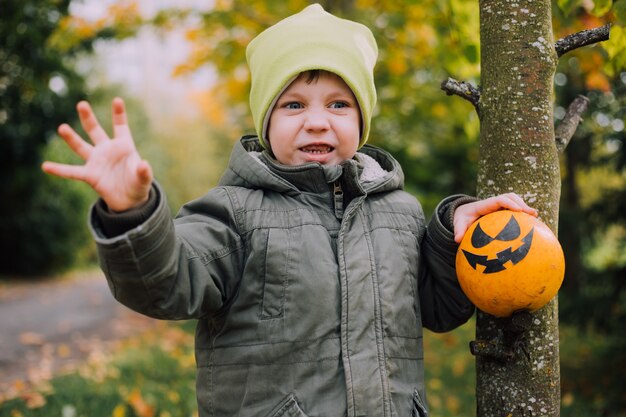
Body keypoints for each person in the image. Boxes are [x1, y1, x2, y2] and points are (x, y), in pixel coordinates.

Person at [42, 4, 537, 416]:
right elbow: (166, 284)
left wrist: (453, 236)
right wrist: (132, 212)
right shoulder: (235, 211)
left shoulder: (400, 212)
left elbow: (439, 311)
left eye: (339, 104)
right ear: (267, 120)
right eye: (294, 105)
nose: (317, 122)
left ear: (362, 119)